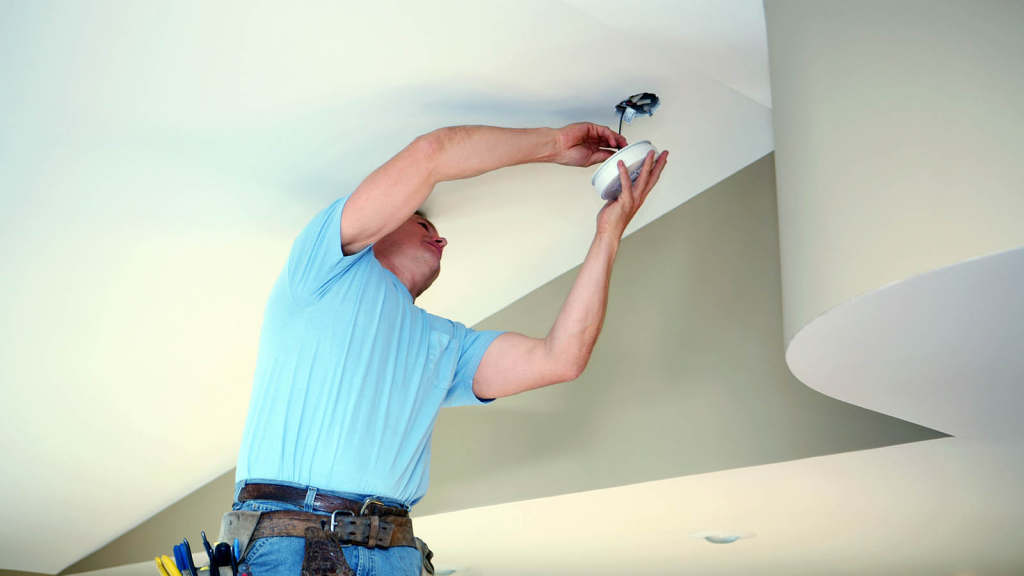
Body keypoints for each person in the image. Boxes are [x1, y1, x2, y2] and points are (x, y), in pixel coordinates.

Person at [228, 123, 669, 575]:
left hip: (394, 552)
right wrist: (554, 145)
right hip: (291, 540)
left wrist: (609, 233)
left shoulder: (447, 344)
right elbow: (431, 153)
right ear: (380, 226)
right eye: (422, 224)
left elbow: (562, 359)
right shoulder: (322, 269)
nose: (439, 239)